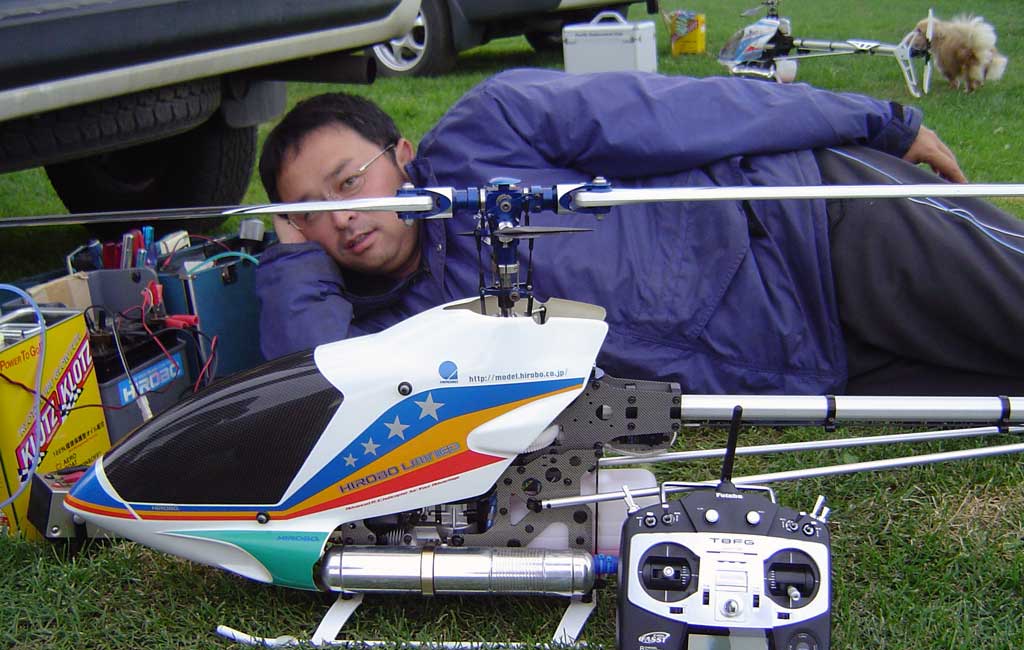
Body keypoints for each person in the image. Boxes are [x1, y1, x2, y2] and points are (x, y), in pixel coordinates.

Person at [254, 68, 1024, 395]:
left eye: (349, 182)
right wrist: (293, 270)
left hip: (814, 229)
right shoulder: (386, 331)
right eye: (310, 212)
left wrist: (879, 122)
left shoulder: (491, 126)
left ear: (401, 155)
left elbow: (688, 113)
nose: (342, 218)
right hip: (810, 366)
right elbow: (322, 401)